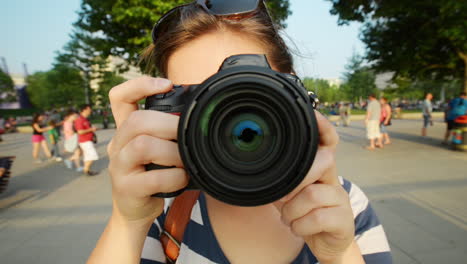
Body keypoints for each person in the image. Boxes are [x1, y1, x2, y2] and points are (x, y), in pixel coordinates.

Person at [88, 1, 392, 264]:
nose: (225, 123)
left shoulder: (346, 205)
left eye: (246, 92)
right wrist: (127, 222)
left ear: (295, 93)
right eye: (198, 100)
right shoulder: (161, 213)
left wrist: (339, 254)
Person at [74, 104, 98, 176]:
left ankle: (87, 170)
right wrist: (91, 129)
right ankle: (86, 169)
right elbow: (80, 131)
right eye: (89, 109)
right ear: (84, 110)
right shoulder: (79, 119)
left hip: (87, 140)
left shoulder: (85, 119)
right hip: (85, 141)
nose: (90, 110)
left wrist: (91, 130)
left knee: (87, 156)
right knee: (93, 155)